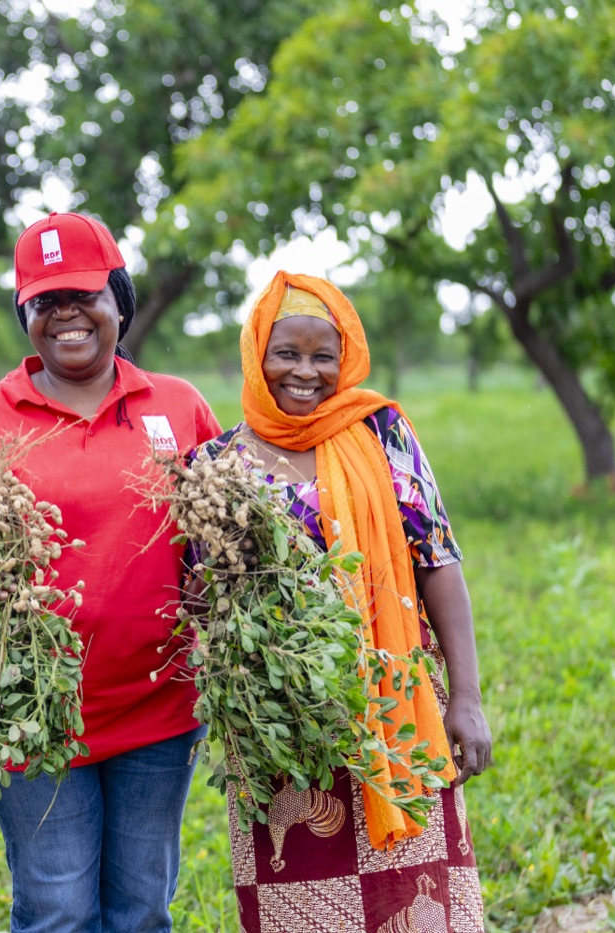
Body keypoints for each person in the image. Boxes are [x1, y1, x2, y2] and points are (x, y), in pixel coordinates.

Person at [0, 212, 221, 933]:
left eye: (83, 295)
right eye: (44, 302)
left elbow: (221, 535)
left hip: (157, 706)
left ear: (118, 299)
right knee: (58, 908)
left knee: (141, 908)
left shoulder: (177, 406)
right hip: (36, 711)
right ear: (25, 315)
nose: (66, 315)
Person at [198, 272, 493, 932]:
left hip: (398, 702)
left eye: (322, 356)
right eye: (286, 354)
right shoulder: (219, 465)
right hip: (281, 726)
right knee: (297, 896)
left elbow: (437, 560)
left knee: (421, 890)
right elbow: (201, 600)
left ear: (347, 357)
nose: (304, 372)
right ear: (256, 355)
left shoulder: (380, 433)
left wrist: (467, 697)